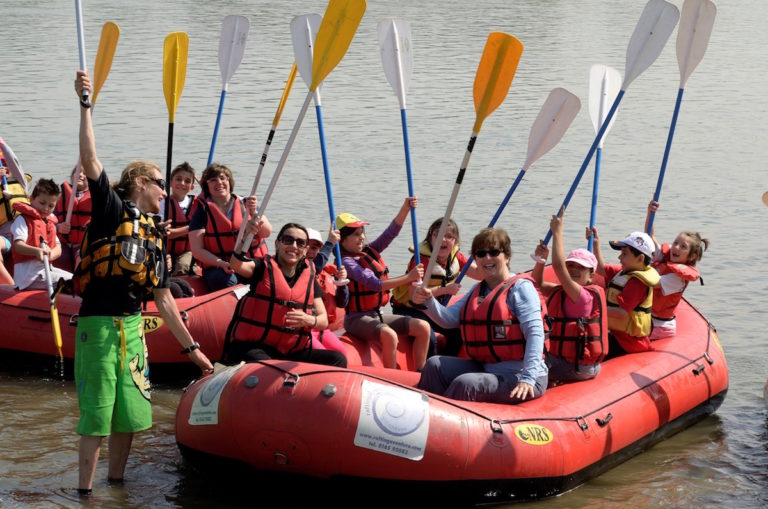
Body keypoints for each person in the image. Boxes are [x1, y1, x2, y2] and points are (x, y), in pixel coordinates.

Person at [73, 70, 213, 496]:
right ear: (139, 184)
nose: (164, 187)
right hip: (98, 326)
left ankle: (116, 487)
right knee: (97, 415)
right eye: (157, 180)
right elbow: (91, 159)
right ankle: (84, 494)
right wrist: (85, 106)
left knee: (131, 414)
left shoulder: (153, 236)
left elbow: (165, 299)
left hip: (133, 330)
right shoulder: (112, 210)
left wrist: (194, 351)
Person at [413, 227, 549, 403]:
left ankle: (446, 421)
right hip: (486, 368)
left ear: (507, 257)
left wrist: (528, 378)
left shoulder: (520, 289)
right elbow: (448, 319)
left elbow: (535, 333)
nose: (487, 258)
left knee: (467, 383)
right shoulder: (478, 290)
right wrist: (428, 300)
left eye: (494, 252)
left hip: (521, 376)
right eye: (481, 254)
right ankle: (427, 416)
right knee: (434, 365)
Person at [223, 222, 347, 368]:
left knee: (337, 359)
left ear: (305, 249)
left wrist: (309, 319)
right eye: (288, 240)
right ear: (277, 244)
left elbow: (323, 320)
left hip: (290, 350)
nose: (294, 246)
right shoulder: (262, 267)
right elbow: (236, 265)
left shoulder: (309, 277)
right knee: (272, 367)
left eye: (300, 243)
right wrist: (245, 237)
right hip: (254, 347)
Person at [338, 198, 431, 371]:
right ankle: (392, 378)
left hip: (376, 314)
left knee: (423, 327)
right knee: (389, 335)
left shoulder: (368, 251)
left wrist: (405, 209)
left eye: (362, 232)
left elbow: (391, 233)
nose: (362, 237)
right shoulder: (347, 263)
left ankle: (421, 373)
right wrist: (408, 277)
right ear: (342, 240)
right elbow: (374, 284)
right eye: (356, 234)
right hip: (356, 319)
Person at [532, 211, 608, 381]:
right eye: (570, 265)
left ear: (590, 276)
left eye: (579, 267)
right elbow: (537, 284)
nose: (573, 269)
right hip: (568, 362)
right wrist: (541, 260)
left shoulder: (584, 297)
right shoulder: (564, 291)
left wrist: (557, 232)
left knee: (526, 361)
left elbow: (559, 268)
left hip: (578, 367)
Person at [391, 217, 481, 357]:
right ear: (430, 239)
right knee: (430, 338)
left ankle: (445, 362)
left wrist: (491, 262)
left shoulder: (456, 257)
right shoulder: (421, 261)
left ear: (455, 241)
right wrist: (445, 290)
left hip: (431, 309)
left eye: (449, 236)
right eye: (437, 235)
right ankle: (429, 369)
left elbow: (477, 273)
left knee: (459, 333)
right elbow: (415, 295)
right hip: (409, 309)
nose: (442, 240)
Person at [188, 163, 271, 291]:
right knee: (225, 280)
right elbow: (197, 249)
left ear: (229, 182)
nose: (219, 183)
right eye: (213, 180)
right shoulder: (202, 211)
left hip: (249, 262)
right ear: (207, 186)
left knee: (267, 279)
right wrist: (221, 263)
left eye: (223, 178)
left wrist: (254, 212)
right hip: (219, 266)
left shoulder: (246, 204)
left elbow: (266, 232)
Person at [590, 226, 660, 359]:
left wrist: (593, 309)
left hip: (628, 342)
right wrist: (596, 243)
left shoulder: (637, 283)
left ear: (640, 259)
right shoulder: (623, 272)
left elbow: (622, 313)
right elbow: (600, 269)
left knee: (589, 348)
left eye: (624, 254)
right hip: (618, 335)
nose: (619, 257)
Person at [645, 200, 708, 339]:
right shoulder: (666, 257)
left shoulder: (677, 278)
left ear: (692, 256)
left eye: (683, 247)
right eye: (675, 243)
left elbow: (650, 282)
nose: (676, 248)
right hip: (648, 318)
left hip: (659, 325)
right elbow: (649, 237)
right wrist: (650, 213)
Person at [11, 178, 72, 290]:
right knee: (72, 282)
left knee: (77, 279)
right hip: (29, 277)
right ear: (32, 199)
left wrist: (51, 254)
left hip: (47, 271)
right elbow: (18, 245)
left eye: (51, 206)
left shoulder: (49, 223)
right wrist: (37, 251)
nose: (45, 208)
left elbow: (58, 248)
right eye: (42, 203)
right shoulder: (22, 220)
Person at [305, 226, 348, 354]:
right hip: (306, 328)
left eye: (314, 248)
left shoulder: (327, 274)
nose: (310, 251)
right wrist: (330, 243)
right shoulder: (298, 270)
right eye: (306, 246)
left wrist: (342, 284)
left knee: (342, 354)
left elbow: (342, 303)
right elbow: (314, 267)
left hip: (326, 329)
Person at [54, 165, 91, 272]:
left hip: (83, 244)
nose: (80, 174)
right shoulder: (61, 197)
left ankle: (78, 282)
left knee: (80, 257)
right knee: (57, 258)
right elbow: (48, 221)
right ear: (71, 177)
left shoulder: (95, 197)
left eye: (85, 173)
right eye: (78, 172)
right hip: (63, 243)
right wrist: (58, 227)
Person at [164, 162, 198, 276]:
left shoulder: (197, 204)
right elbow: (165, 234)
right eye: (178, 179)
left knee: (183, 266)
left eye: (187, 181)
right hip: (165, 249)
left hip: (187, 251)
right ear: (170, 182)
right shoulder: (162, 203)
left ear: (192, 187)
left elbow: (213, 197)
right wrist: (191, 228)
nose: (182, 183)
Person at [0, 163, 29, 284]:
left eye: (7, 165)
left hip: (24, 237)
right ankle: (10, 287)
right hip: (5, 239)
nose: (4, 168)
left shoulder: (22, 182)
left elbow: (14, 163)